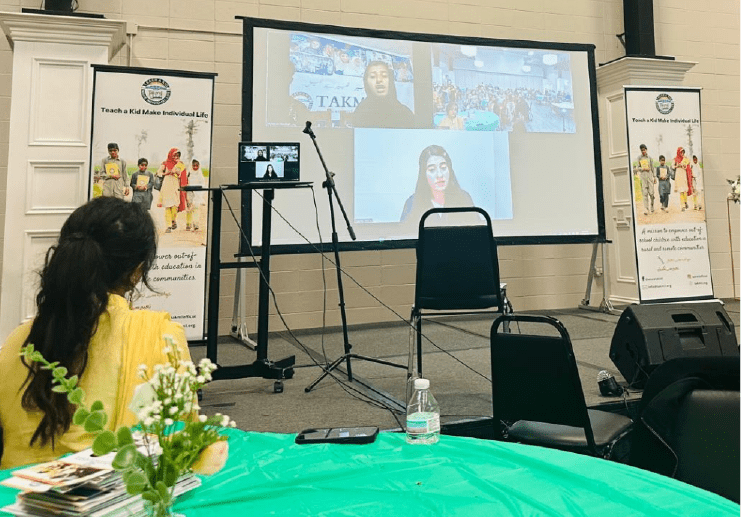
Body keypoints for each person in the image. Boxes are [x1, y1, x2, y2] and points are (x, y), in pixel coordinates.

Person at [0, 197, 190, 469]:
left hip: (12, 491)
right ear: (137, 272)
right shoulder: (161, 336)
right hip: (114, 493)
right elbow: (180, 443)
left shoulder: (18, 341)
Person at [400, 145, 475, 225]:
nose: (439, 175)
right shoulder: (412, 203)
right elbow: (405, 231)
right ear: (424, 175)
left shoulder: (463, 198)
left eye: (443, 168)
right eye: (432, 170)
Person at [352, 61, 414, 129]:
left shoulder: (405, 113)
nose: (379, 80)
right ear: (366, 82)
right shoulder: (361, 112)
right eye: (373, 76)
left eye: (384, 76)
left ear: (390, 80)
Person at [156, 148, 187, 232]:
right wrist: (165, 173)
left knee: (175, 206)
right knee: (167, 206)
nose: (176, 157)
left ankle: (173, 220)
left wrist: (176, 171)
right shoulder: (165, 163)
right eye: (174, 155)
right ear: (170, 155)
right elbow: (158, 173)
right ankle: (168, 226)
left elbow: (181, 174)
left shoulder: (180, 164)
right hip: (166, 185)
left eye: (178, 155)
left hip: (175, 185)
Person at [633, 144, 656, 215]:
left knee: (651, 193)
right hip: (643, 178)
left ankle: (652, 206)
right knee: (645, 193)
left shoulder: (649, 158)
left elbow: (653, 168)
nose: (643, 151)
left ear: (646, 150)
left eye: (644, 150)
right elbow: (637, 167)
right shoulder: (639, 158)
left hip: (650, 177)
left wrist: (654, 177)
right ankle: (646, 209)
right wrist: (643, 168)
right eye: (642, 150)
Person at [186, 158, 207, 232]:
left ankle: (196, 224)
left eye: (196, 165)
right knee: (189, 208)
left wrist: (199, 192)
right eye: (194, 165)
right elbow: (185, 182)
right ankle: (188, 224)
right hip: (189, 192)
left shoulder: (200, 174)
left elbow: (203, 184)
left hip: (197, 194)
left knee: (196, 208)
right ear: (191, 166)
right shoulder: (189, 173)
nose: (195, 167)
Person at [672, 147, 692, 211]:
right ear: (678, 152)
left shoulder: (685, 158)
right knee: (681, 191)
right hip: (678, 175)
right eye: (681, 152)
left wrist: (684, 165)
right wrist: (677, 166)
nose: (682, 153)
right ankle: (682, 206)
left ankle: (685, 202)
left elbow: (688, 165)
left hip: (684, 175)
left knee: (685, 190)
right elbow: (672, 166)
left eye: (683, 152)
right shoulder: (675, 159)